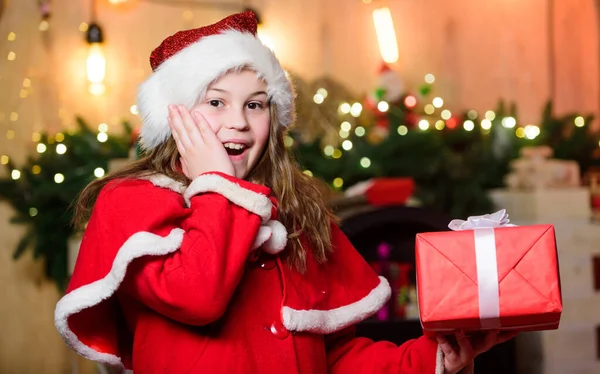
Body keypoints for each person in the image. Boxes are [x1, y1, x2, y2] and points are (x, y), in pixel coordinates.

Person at [54, 11, 515, 374]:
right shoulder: (134, 203)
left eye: (254, 104)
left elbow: (333, 357)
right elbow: (197, 296)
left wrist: (429, 359)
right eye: (215, 101)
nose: (237, 120)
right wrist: (219, 185)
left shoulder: (293, 214)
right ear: (174, 117)